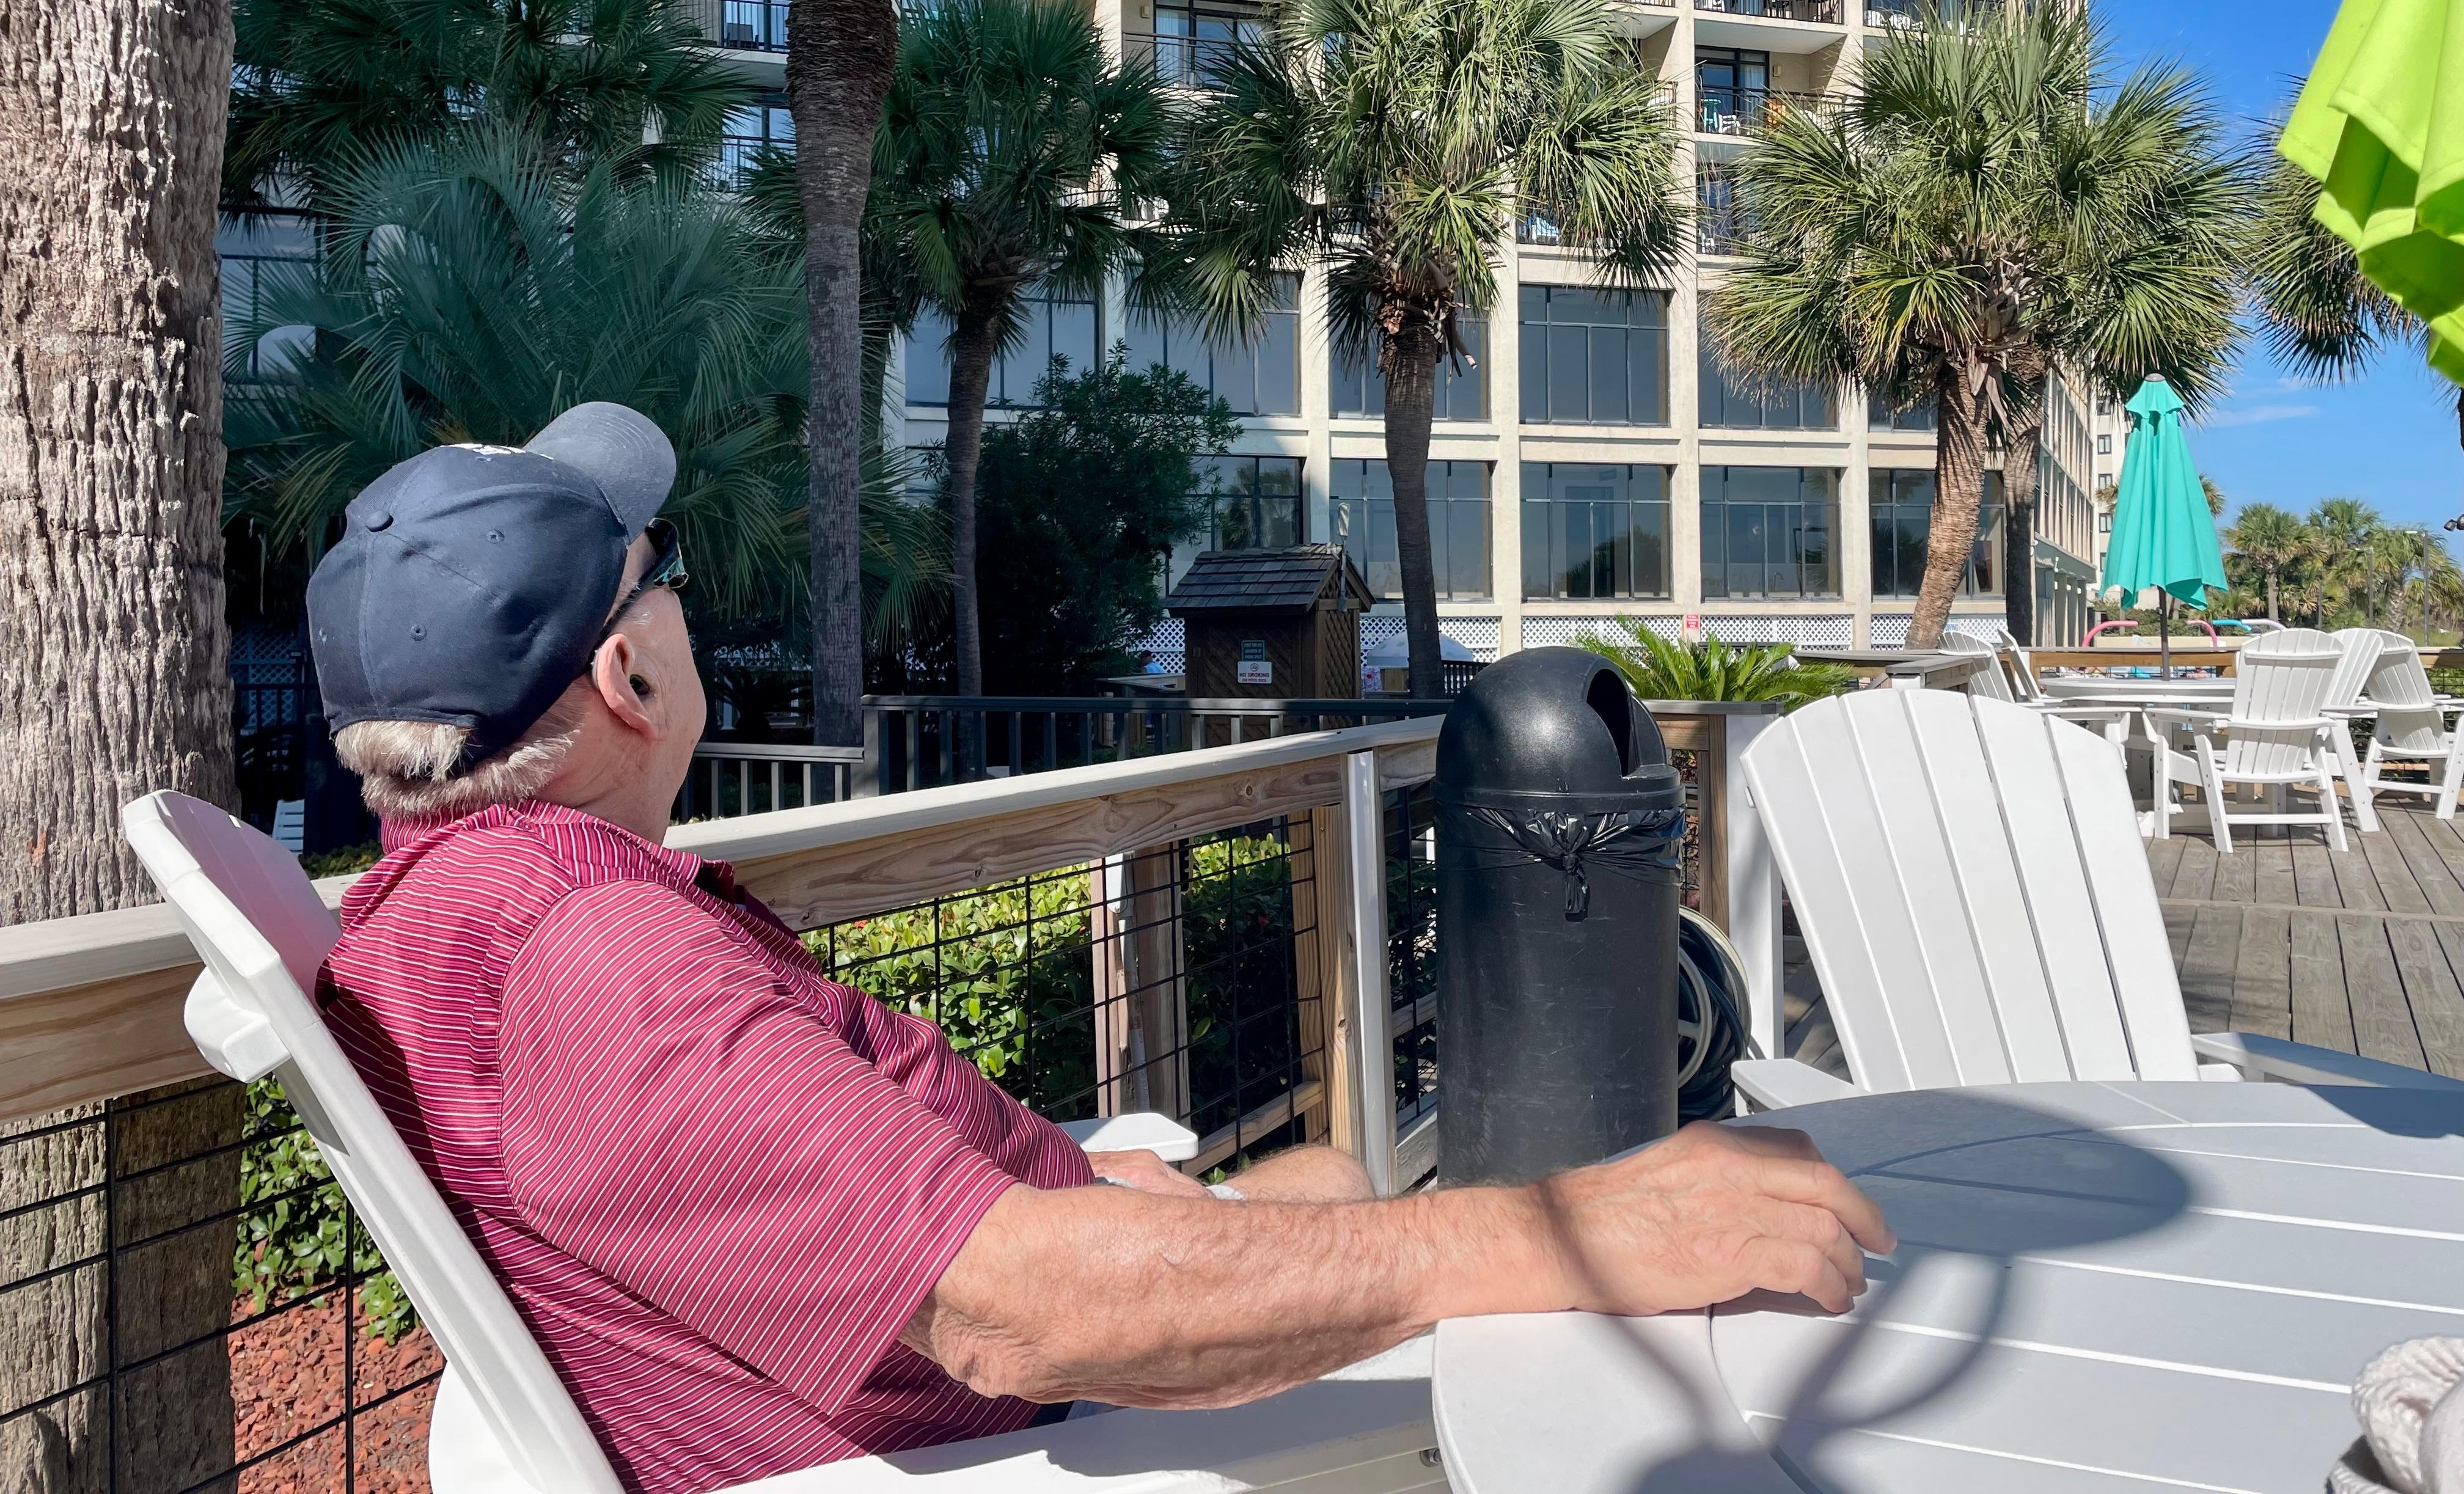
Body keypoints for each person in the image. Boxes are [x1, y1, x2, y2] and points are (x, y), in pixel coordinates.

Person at [309, 404, 1893, 1494]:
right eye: (667, 581)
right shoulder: (587, 962)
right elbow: (1030, 1313)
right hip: (1022, 1422)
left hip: (1005, 1328)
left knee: (1335, 1179)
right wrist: (1581, 1228)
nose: (685, 610)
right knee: (1682, 1328)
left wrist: (1079, 1181)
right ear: (626, 678)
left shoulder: (447, 909)